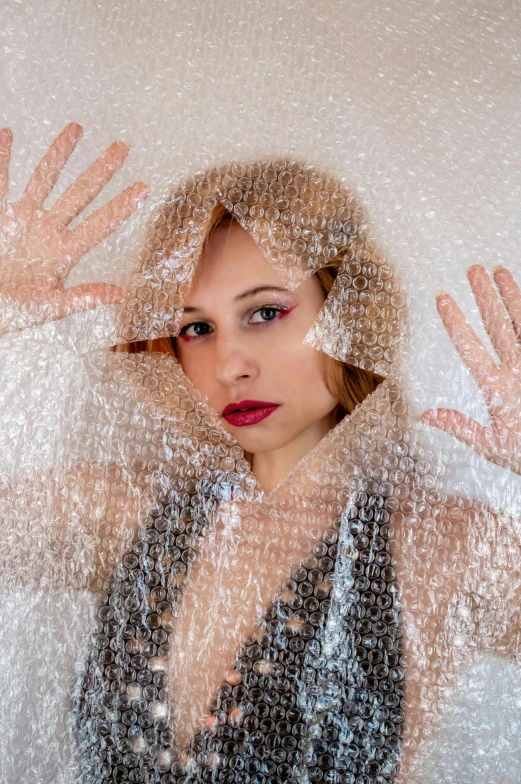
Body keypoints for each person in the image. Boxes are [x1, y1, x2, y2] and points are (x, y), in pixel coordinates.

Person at [1, 123, 520, 784]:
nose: (229, 365)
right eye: (195, 328)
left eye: (264, 313)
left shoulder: (445, 550)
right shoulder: (122, 512)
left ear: (350, 312)